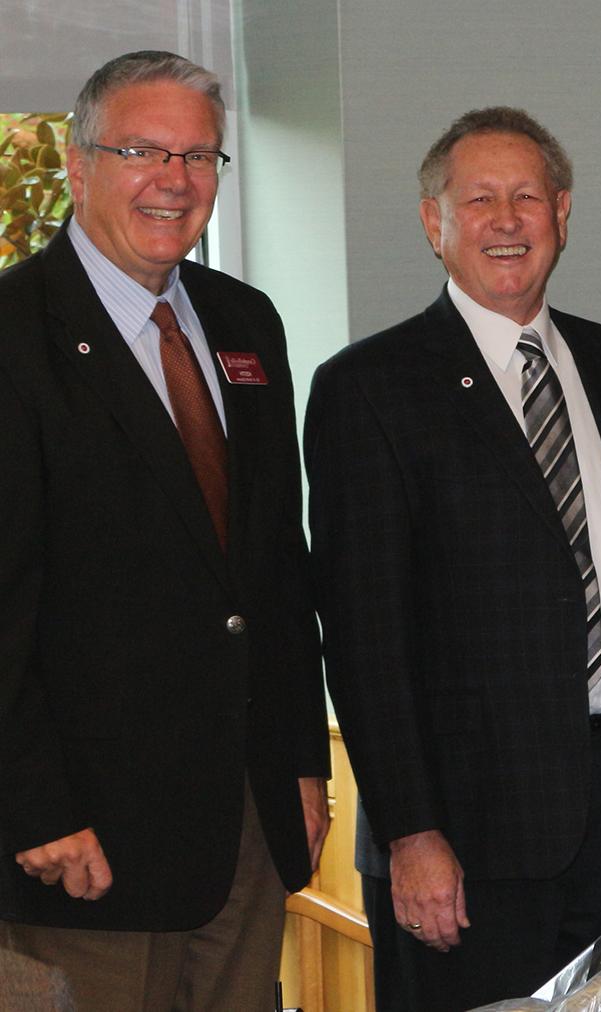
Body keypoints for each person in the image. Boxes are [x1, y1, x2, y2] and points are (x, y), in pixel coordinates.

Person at [0, 50, 330, 1011]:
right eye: (144, 150)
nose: (175, 181)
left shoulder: (243, 322)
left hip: (246, 828)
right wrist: (36, 810)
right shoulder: (15, 335)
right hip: (85, 844)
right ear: (76, 163)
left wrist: (300, 761)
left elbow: (276, 569)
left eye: (201, 157)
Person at [304, 107, 601, 1011]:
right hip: (465, 838)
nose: (507, 220)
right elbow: (363, 635)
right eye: (479, 199)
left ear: (562, 214)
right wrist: (413, 833)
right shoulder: (368, 389)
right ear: (435, 224)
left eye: (527, 197)